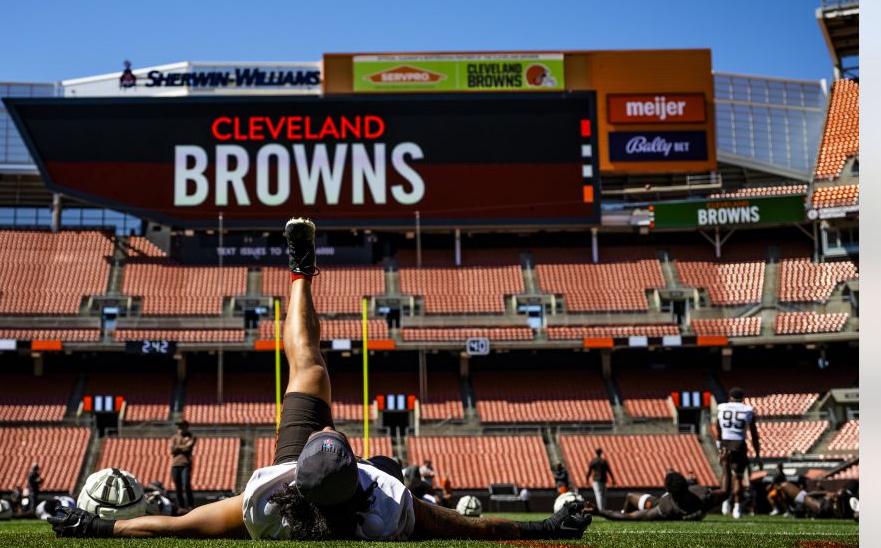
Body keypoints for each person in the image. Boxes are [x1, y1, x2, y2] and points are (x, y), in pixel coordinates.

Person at [49, 218, 592, 540]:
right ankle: (303, 272)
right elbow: (471, 528)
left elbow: (175, 526)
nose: (327, 430)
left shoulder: (266, 500)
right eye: (333, 439)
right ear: (358, 474)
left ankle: (299, 273)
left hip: (310, 484)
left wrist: (90, 528)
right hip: (356, 487)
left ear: (297, 473)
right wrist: (546, 528)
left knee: (307, 367)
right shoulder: (387, 505)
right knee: (386, 455)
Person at [586, 470, 728, 521]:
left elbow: (629, 517)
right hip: (660, 501)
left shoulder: (665, 508)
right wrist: (726, 463)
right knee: (631, 498)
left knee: (630, 496)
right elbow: (725, 491)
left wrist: (599, 512)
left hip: (655, 502)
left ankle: (624, 507)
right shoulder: (702, 496)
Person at [715, 387, 761, 519]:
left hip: (725, 443)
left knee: (725, 473)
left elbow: (718, 427)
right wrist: (757, 453)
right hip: (739, 443)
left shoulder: (722, 407)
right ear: (742, 398)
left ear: (730, 397)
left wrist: (719, 444)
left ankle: (725, 502)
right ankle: (737, 507)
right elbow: (754, 434)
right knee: (738, 478)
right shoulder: (748, 410)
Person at [170, 419, 197, 513]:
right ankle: (180, 506)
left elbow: (188, 448)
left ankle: (190, 504)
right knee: (177, 486)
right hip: (175, 464)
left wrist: (178, 447)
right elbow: (172, 450)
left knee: (186, 484)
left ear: (186, 427)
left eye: (181, 426)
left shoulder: (191, 437)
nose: (180, 428)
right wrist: (183, 446)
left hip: (185, 464)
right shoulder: (174, 437)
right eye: (179, 426)